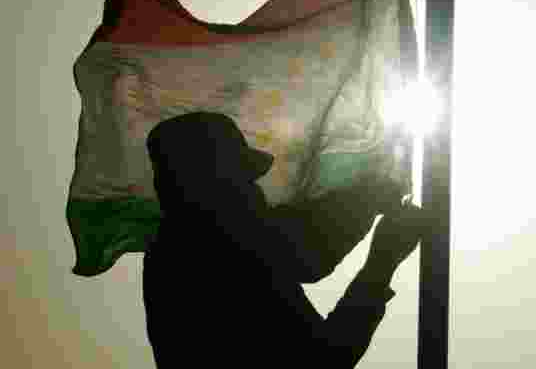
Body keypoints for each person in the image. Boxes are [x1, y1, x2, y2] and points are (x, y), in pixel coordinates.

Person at [142, 111, 423, 367]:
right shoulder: (212, 247)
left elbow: (301, 240)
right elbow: (323, 360)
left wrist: (368, 205)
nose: (254, 191)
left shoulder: (181, 248)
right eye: (243, 179)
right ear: (210, 183)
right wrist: (381, 260)